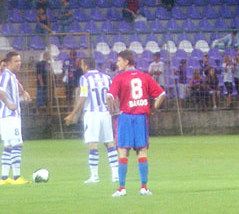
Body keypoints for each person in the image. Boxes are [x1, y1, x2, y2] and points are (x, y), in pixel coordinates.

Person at [106, 50, 166, 196]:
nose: (117, 63)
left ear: (127, 61)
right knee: (142, 151)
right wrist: (152, 109)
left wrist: (113, 111)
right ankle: (144, 187)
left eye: (119, 61)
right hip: (141, 117)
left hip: (125, 117)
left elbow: (109, 96)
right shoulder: (144, 76)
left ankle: (122, 189)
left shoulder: (119, 78)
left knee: (123, 152)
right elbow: (162, 94)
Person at [64, 57, 120, 185]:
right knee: (109, 143)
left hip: (92, 114)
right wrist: (115, 110)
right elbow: (112, 96)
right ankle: (115, 174)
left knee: (92, 144)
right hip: (105, 113)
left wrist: (73, 113)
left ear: (85, 65)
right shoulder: (107, 77)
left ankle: (94, 176)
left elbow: (83, 96)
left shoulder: (84, 79)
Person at [0, 51, 30, 185]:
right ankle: (16, 177)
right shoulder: (6, 76)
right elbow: (0, 91)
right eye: (16, 61)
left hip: (8, 116)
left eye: (20, 61)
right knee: (17, 144)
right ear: (8, 63)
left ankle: (4, 178)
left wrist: (24, 92)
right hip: (10, 116)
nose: (19, 63)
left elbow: (18, 85)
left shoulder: (11, 76)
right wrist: (9, 104)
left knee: (8, 145)